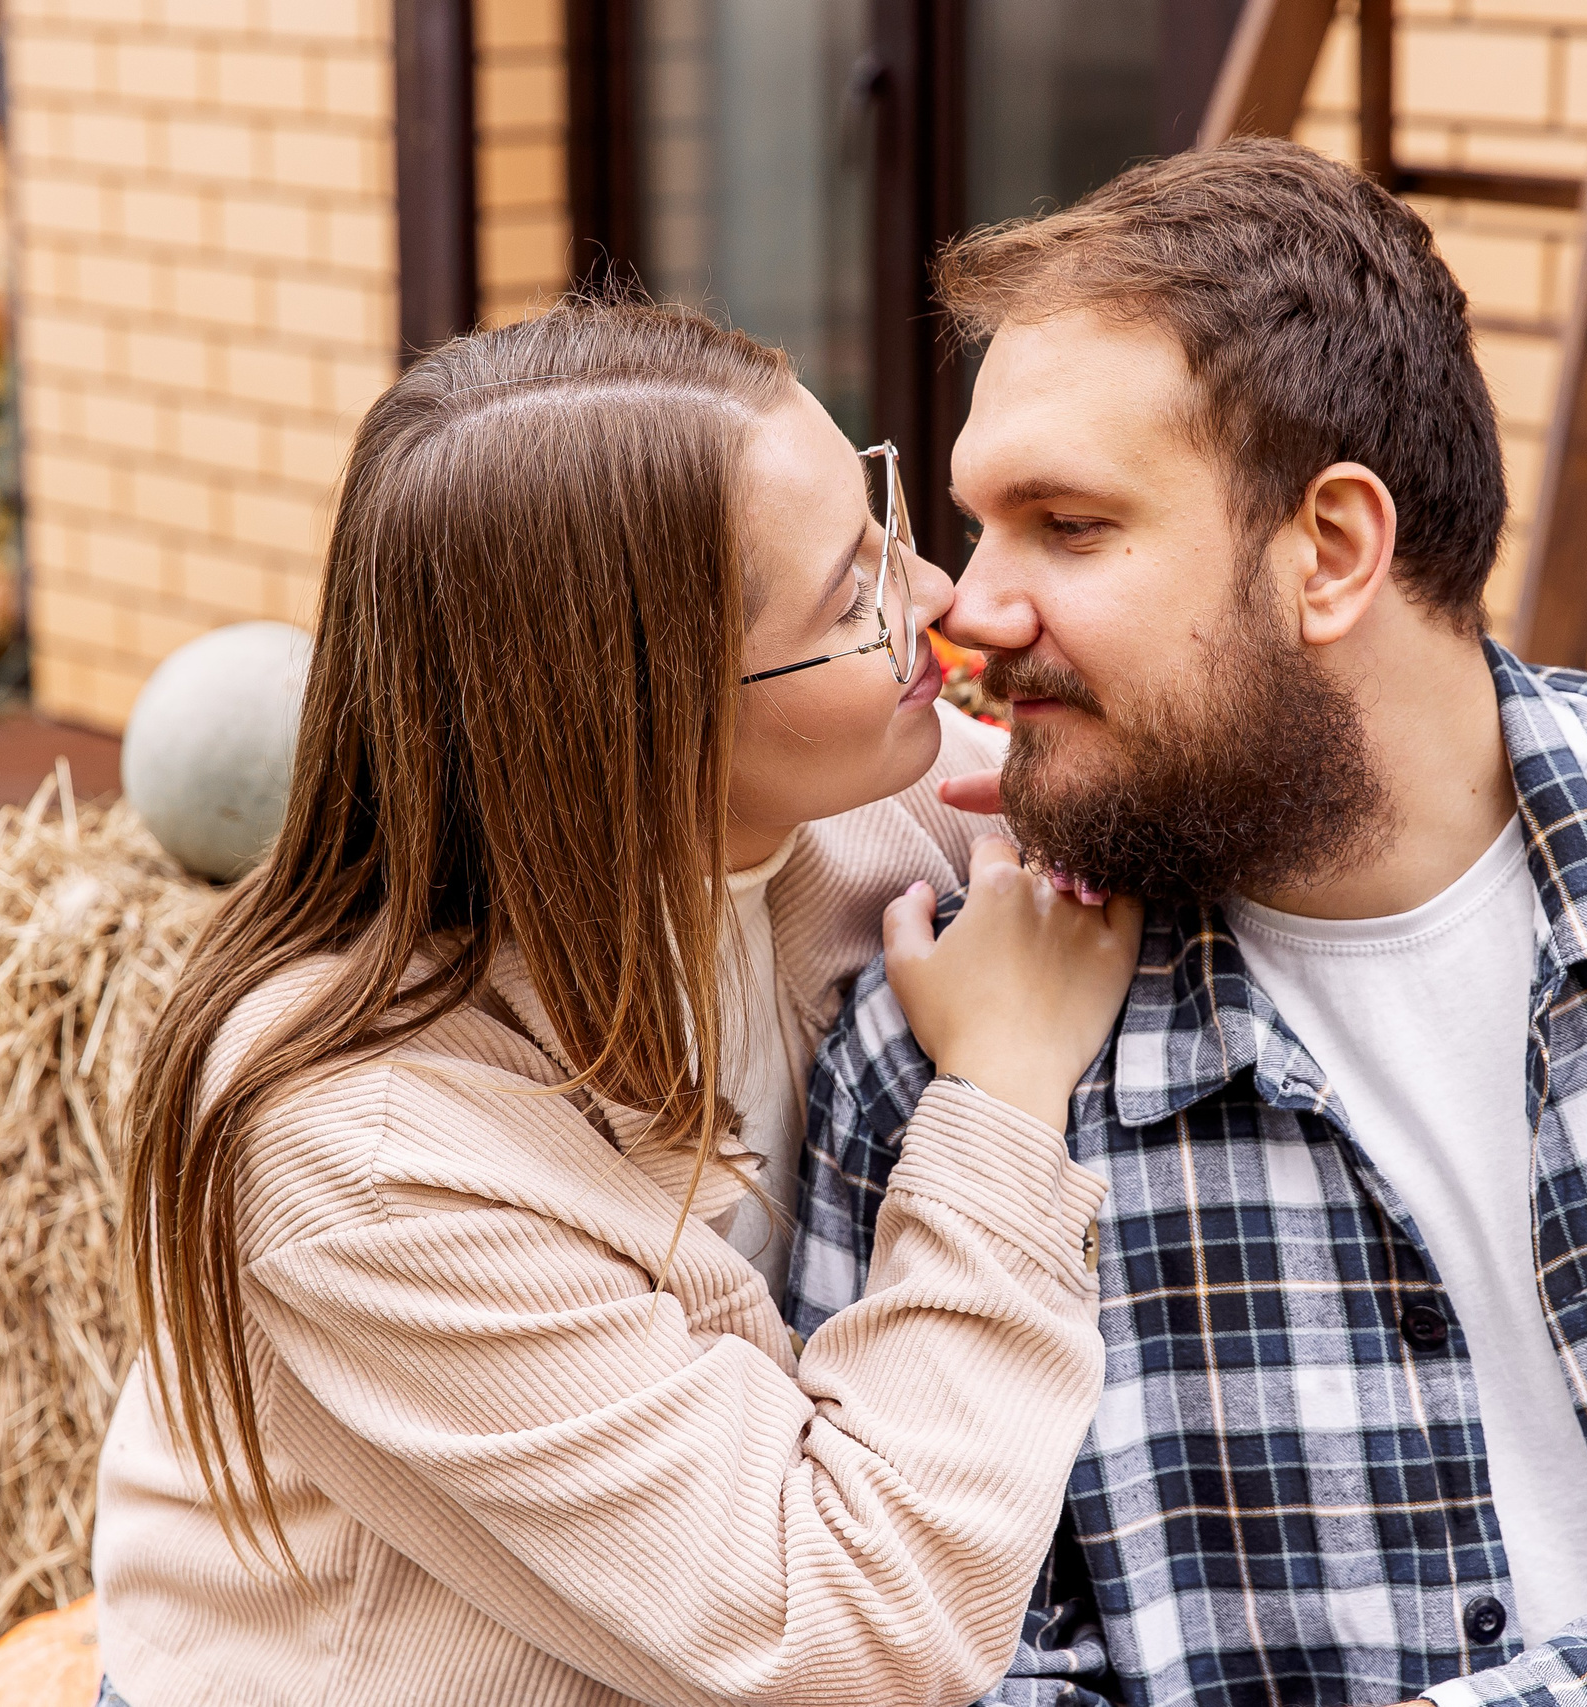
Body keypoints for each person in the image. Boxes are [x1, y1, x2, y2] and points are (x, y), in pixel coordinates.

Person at [790, 138, 1587, 1707]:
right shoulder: (958, 1049)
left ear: (1330, 550)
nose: (970, 607)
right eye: (980, 525)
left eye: (1070, 525)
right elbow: (933, 1660)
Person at [92, 300, 1145, 1707]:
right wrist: (1005, 1096)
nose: (940, 593)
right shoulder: (370, 1158)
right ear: (640, 722)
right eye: (855, 597)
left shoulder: (856, 811)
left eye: (881, 513)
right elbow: (848, 1634)